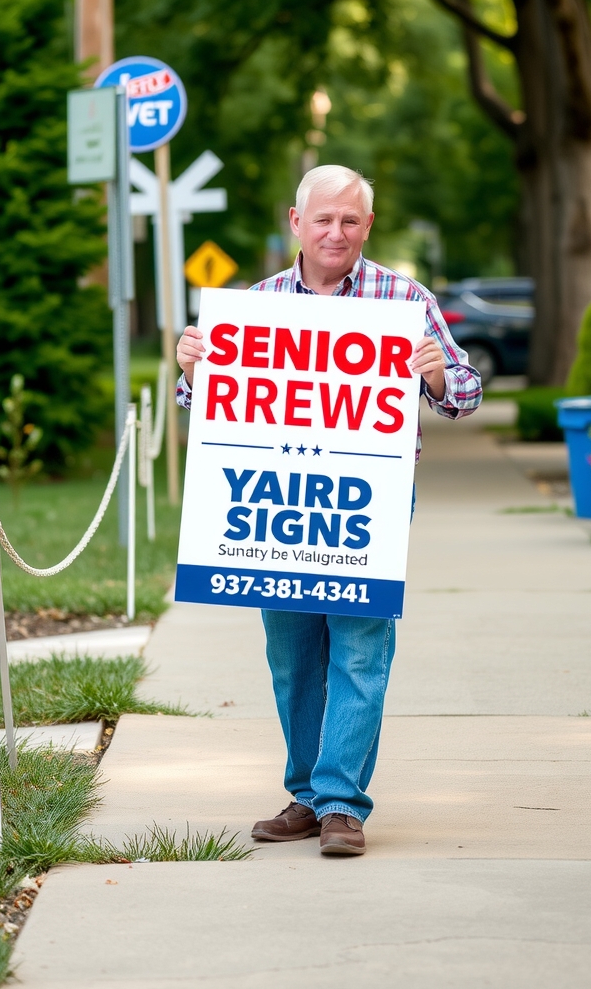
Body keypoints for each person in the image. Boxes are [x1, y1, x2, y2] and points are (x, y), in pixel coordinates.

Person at [176, 164, 481, 857]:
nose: (335, 232)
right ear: (297, 222)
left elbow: (465, 393)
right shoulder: (254, 306)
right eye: (323, 219)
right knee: (291, 654)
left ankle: (342, 803)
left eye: (349, 220)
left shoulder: (405, 299)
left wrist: (437, 374)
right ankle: (307, 796)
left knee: (360, 646)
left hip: (367, 501)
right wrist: (192, 368)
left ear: (367, 226)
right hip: (273, 501)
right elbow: (201, 405)